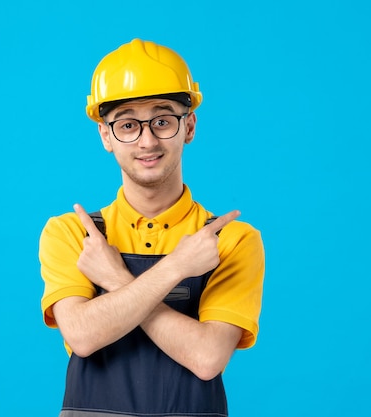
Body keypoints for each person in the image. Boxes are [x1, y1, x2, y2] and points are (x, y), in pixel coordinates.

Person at [39, 38, 265, 417]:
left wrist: (116, 278)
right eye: (127, 124)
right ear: (106, 136)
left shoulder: (233, 239)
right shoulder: (72, 234)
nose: (147, 141)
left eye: (162, 121)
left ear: (189, 126)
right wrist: (177, 267)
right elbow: (82, 336)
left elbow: (208, 358)